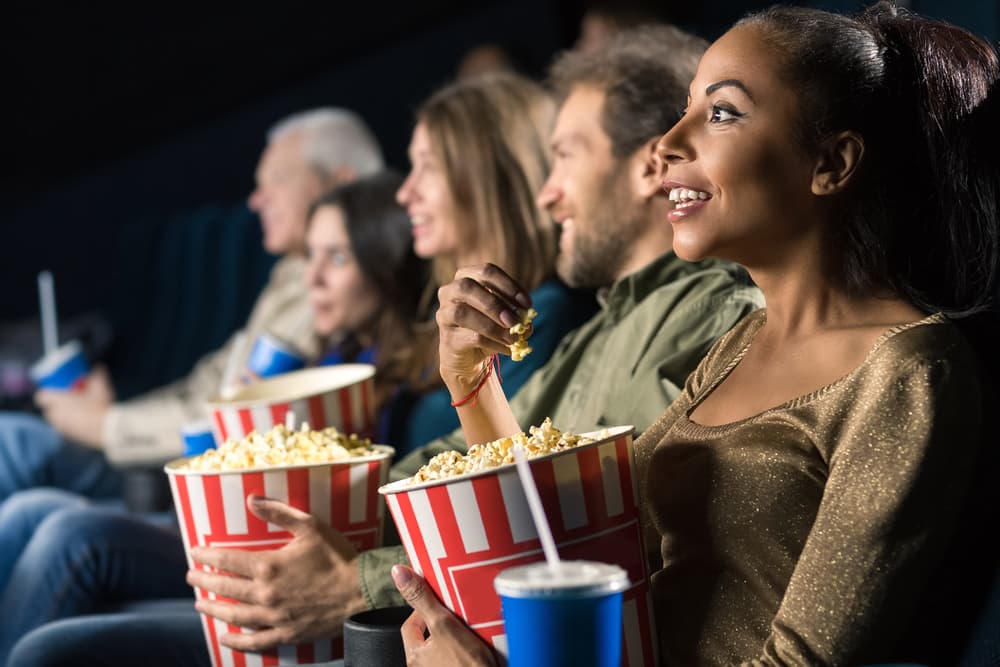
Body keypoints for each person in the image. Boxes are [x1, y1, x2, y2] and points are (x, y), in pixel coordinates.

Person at [4, 24, 765, 666]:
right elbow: (481, 469)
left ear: (647, 168)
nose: (546, 189)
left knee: (62, 585)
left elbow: (587, 522)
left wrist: (355, 576)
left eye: (563, 156)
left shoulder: (688, 313)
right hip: (418, 600)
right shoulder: (600, 322)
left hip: (445, 621)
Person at [389, 3, 1000, 666]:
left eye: (723, 113)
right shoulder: (740, 343)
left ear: (832, 162)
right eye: (685, 109)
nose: (668, 143)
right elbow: (566, 549)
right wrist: (472, 381)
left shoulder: (911, 371)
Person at [0, 171, 438, 662]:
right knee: (29, 507)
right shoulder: (328, 349)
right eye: (309, 256)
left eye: (336, 258)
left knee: (62, 534)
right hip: (230, 522)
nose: (311, 278)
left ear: (384, 262)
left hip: (281, 546)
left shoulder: (401, 380)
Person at [0, 108, 384, 502]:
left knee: (16, 455)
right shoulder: (291, 272)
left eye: (276, 181)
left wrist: (106, 425)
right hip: (177, 457)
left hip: (204, 476)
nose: (255, 200)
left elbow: (243, 418)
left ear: (342, 185)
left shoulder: (339, 295)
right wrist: (110, 414)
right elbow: (211, 383)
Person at [391, 70, 596, 457]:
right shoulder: (442, 315)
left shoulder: (541, 318)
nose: (406, 192)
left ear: (489, 178)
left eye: (428, 167)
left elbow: (502, 462)